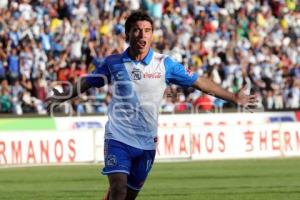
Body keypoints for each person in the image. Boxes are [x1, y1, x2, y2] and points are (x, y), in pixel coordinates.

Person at [46, 10, 257, 200]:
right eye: (137, 31)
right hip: (118, 137)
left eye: (147, 31)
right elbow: (88, 82)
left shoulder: (165, 64)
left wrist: (233, 97)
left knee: (127, 196)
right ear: (128, 34)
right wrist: (63, 95)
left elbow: (199, 81)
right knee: (118, 189)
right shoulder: (113, 62)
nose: (143, 35)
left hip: (147, 142)